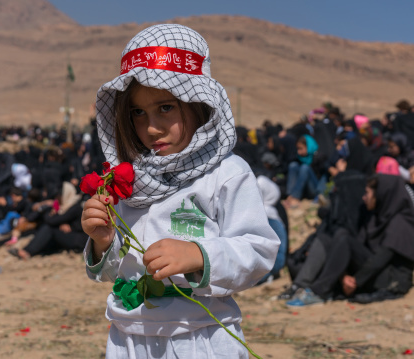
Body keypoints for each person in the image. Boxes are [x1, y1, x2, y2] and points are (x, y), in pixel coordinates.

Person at [81, 24, 279, 359]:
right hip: (129, 338)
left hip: (199, 339)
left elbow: (259, 250)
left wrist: (199, 256)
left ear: (199, 104)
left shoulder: (226, 174)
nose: (151, 127)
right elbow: (119, 269)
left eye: (166, 108)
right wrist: (102, 242)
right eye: (138, 113)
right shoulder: (131, 178)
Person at [286, 174, 414, 306]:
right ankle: (307, 286)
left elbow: (380, 259)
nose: (364, 198)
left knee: (345, 238)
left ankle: (319, 292)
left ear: (382, 194)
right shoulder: (377, 217)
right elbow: (356, 246)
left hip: (390, 280)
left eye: (368, 193)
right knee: (333, 237)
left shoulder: (400, 223)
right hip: (372, 273)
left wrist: (356, 280)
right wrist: (344, 276)